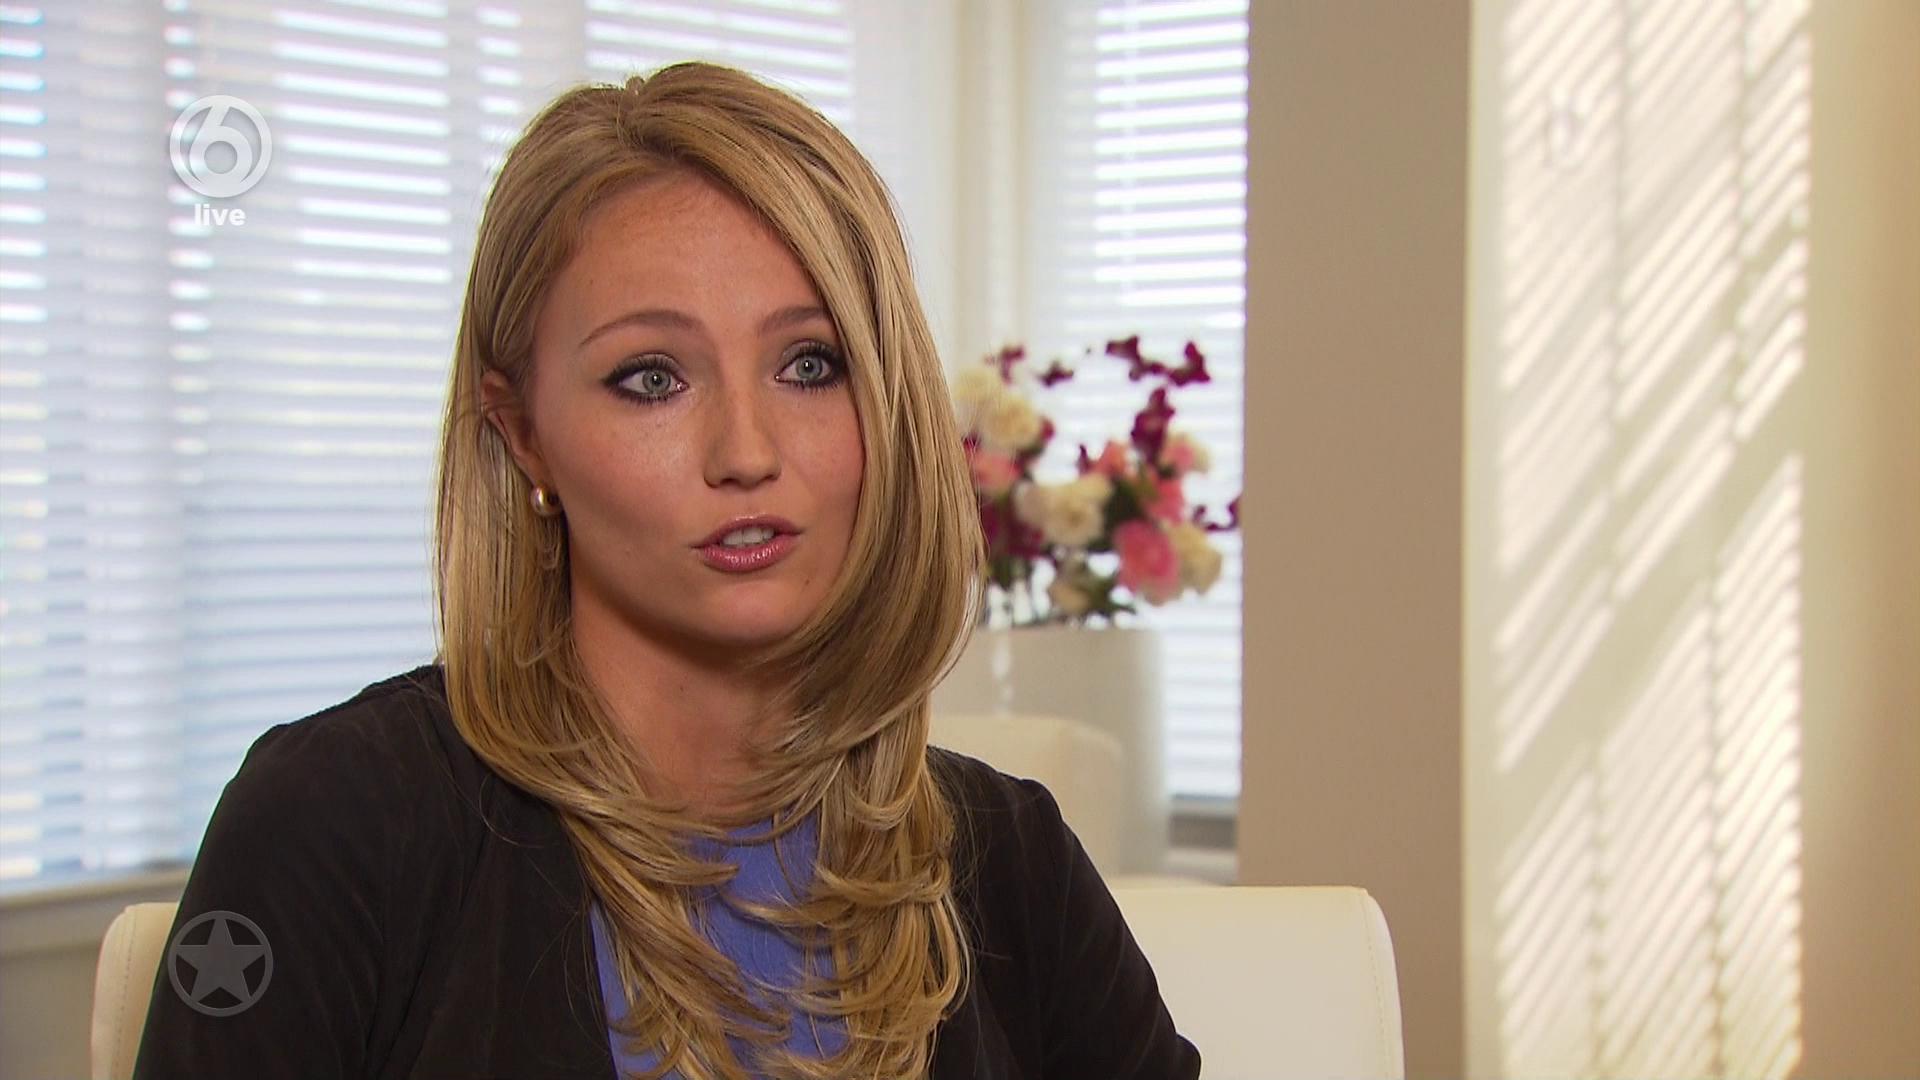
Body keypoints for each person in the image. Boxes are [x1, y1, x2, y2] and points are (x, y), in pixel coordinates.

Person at [132, 61, 1201, 1080]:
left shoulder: (1012, 863)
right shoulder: (338, 822)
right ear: (522, 433)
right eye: (651, 378)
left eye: (810, 364)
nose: (746, 451)